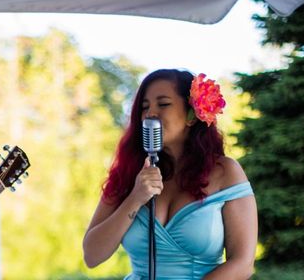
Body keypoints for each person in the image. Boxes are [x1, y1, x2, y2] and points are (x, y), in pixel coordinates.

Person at [83, 69, 257, 280]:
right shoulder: (130, 173)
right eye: (145, 107)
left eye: (163, 104)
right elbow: (92, 256)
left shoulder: (225, 172)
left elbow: (243, 263)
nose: (150, 113)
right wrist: (135, 198)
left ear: (192, 115)